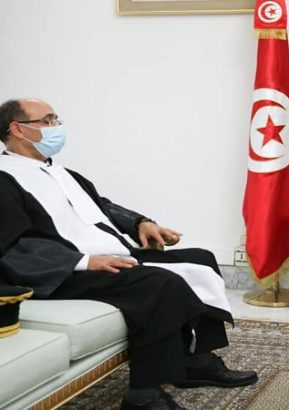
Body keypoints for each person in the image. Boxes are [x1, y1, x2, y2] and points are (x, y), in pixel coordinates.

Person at [0, 98, 257, 410]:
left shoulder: (61, 172)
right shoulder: (5, 178)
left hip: (109, 254)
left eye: (57, 120)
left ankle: (196, 362)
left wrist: (140, 223)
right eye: (48, 120)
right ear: (18, 130)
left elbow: (101, 207)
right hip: (64, 271)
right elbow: (13, 246)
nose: (57, 128)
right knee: (158, 284)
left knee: (201, 257)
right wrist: (84, 261)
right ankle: (143, 395)